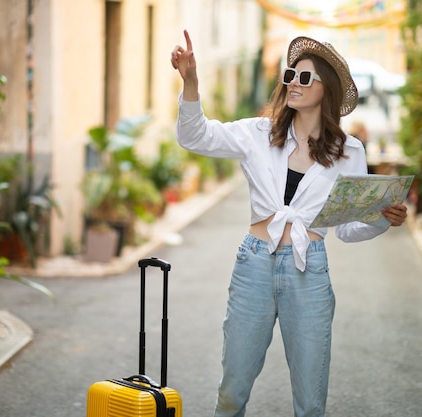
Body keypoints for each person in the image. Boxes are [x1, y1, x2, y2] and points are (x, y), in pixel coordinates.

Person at [171, 30, 408, 417]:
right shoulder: (259, 134)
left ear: (325, 89)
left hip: (309, 270)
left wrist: (381, 218)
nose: (293, 84)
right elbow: (195, 136)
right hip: (254, 266)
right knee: (232, 391)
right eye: (290, 76)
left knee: (311, 401)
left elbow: (347, 228)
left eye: (304, 78)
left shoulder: (349, 151)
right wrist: (191, 82)